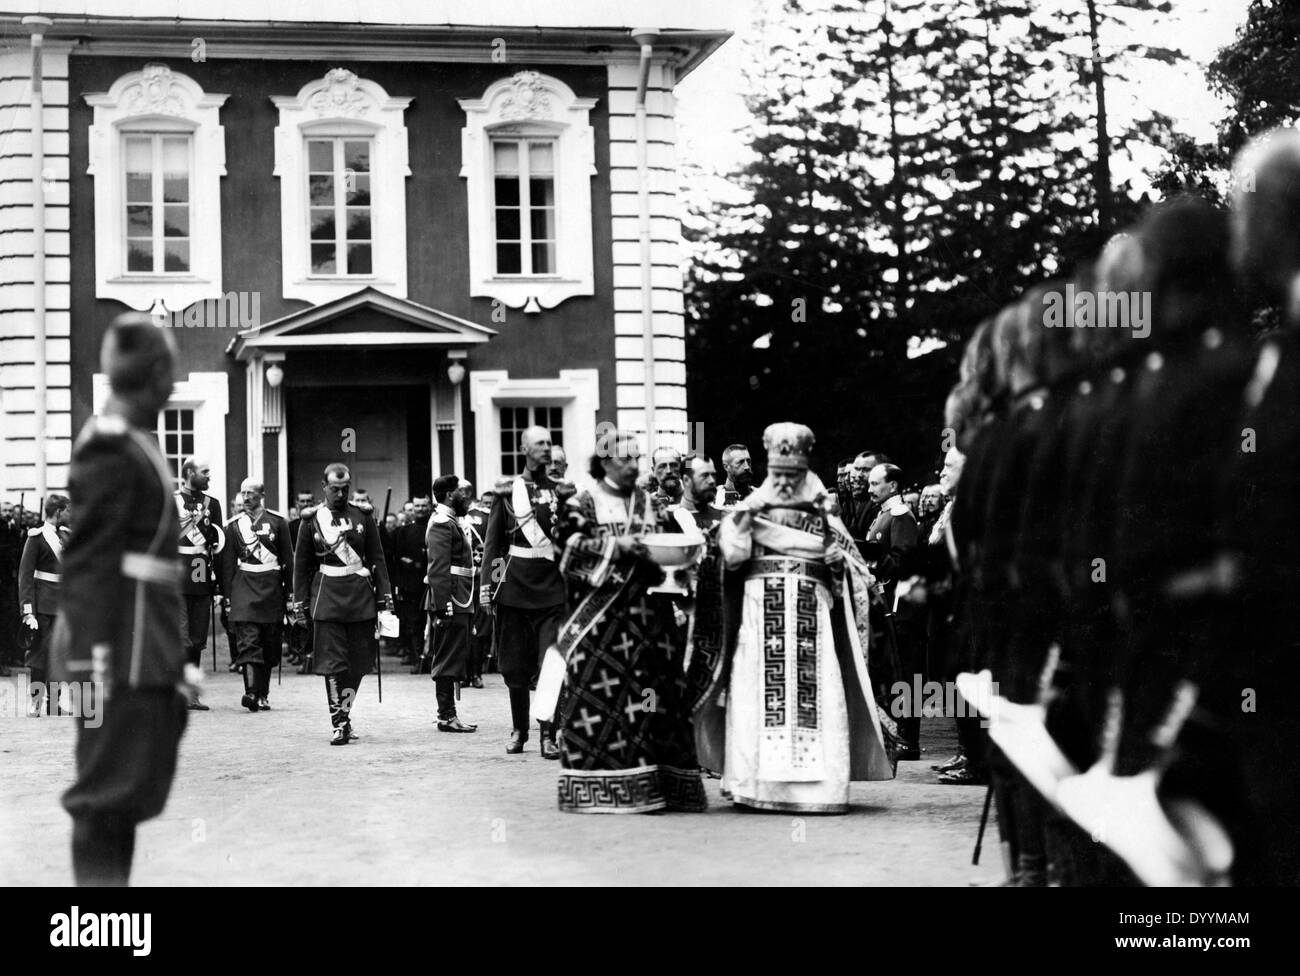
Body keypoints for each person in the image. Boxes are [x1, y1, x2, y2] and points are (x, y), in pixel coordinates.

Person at [51, 313, 190, 887]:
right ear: (157, 371)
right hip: (114, 658)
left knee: (125, 798)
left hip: (143, 651)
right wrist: (90, 669)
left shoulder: (133, 442)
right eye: (172, 367)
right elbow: (87, 571)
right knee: (103, 799)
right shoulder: (111, 447)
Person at [694, 423, 894, 812]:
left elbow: (853, 569)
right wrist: (741, 527)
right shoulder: (750, 507)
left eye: (792, 474)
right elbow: (731, 558)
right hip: (759, 610)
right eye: (779, 474)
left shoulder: (822, 508)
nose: (785, 482)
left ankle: (816, 793)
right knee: (757, 691)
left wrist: (838, 565)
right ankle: (757, 788)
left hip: (811, 615)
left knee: (814, 694)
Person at [551, 429, 707, 813]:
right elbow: (565, 552)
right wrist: (614, 546)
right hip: (599, 626)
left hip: (650, 622)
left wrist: (678, 571)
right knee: (601, 703)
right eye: (626, 459)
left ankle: (659, 784)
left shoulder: (650, 504)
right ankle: (600, 786)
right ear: (605, 462)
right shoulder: (581, 504)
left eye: (638, 459)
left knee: (652, 702)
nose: (635, 466)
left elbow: (669, 550)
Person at [481, 426, 569, 757]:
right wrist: (489, 587)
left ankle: (549, 734)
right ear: (524, 449)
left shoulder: (563, 491)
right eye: (540, 444)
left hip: (552, 588)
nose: (546, 449)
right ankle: (520, 730)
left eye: (549, 443)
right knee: (515, 666)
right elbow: (494, 547)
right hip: (515, 589)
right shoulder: (507, 493)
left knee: (551, 664)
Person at [291, 463, 394, 745]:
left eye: (344, 488)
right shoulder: (311, 520)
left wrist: (385, 602)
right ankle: (339, 723)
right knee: (334, 664)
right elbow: (301, 568)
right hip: (327, 599)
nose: (339, 493)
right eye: (334, 488)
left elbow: (378, 560)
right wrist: (299, 605)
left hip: (361, 599)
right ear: (323, 487)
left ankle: (345, 716)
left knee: (359, 665)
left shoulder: (363, 516)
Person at [864, 462, 922, 758]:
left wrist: (875, 558)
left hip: (899, 605)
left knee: (905, 671)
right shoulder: (885, 515)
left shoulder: (900, 515)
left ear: (894, 486)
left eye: (876, 484)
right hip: (885, 603)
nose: (870, 489)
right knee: (893, 670)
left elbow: (904, 561)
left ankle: (908, 739)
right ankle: (899, 734)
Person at [220, 478, 292, 712]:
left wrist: (290, 594)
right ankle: (251, 692)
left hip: (271, 587)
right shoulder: (233, 526)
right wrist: (227, 596)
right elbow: (228, 565)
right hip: (244, 587)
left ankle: (263, 693)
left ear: (262, 494)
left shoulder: (278, 522)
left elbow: (288, 561)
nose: (246, 497)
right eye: (243, 493)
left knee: (270, 644)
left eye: (251, 493)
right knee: (248, 642)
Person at [424, 475, 478, 733]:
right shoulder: (441, 523)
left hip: (460, 596)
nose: (465, 496)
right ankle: (445, 715)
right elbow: (438, 569)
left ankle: (449, 714)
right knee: (446, 657)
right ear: (448, 494)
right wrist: (443, 604)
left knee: (455, 655)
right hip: (451, 599)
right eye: (460, 491)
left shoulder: (452, 522)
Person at [175, 456, 223, 707]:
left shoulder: (212, 504)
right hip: (176, 579)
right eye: (204, 472)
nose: (208, 477)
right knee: (180, 637)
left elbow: (218, 545)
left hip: (202, 578)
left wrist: (220, 585)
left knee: (196, 639)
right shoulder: (171, 502)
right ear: (190, 473)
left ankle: (191, 691)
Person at [18, 493, 70, 715]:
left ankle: (54, 703)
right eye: (68, 510)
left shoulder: (66, 537)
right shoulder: (36, 538)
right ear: (58, 512)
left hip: (63, 607)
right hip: (41, 607)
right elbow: (25, 577)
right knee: (39, 655)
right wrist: (27, 611)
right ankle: (36, 701)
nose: (71, 513)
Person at [393, 495, 431, 670]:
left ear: (429, 506)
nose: (421, 509)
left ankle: (431, 659)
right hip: (412, 587)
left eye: (424, 505)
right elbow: (397, 560)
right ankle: (418, 660)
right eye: (417, 506)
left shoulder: (435, 528)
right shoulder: (404, 532)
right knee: (414, 624)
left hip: (432, 584)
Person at [460, 482, 491, 687]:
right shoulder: (449, 517)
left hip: (480, 577)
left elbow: (498, 550)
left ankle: (477, 672)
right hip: (460, 579)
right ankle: (463, 673)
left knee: (480, 628)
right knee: (461, 627)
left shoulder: (486, 516)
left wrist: (496, 580)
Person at [287, 489, 316, 670]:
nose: (305, 505)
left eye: (309, 501)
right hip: (299, 575)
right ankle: (302, 655)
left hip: (316, 574)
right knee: (300, 615)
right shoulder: (291, 527)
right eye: (302, 501)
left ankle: (313, 656)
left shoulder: (320, 523)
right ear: (297, 504)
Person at [673, 454, 720, 533]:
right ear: (686, 480)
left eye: (713, 475)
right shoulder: (672, 520)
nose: (712, 481)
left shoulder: (722, 516)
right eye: (705, 475)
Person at [713, 443, 754, 510]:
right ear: (726, 467)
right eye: (740, 462)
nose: (747, 467)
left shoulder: (760, 496)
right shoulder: (714, 497)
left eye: (748, 461)